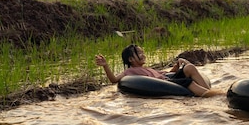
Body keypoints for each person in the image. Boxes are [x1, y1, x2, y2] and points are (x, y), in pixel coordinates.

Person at [95, 44, 223, 97]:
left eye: (142, 52)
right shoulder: (130, 73)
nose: (143, 54)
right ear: (130, 59)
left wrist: (177, 65)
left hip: (168, 79)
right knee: (189, 83)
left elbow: (166, 74)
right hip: (167, 83)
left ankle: (209, 91)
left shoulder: (147, 68)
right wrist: (106, 65)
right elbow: (113, 80)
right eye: (139, 53)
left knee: (189, 67)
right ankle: (216, 95)